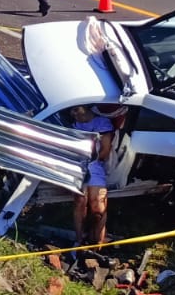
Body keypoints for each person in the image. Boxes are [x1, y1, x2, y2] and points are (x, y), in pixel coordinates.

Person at [70, 105, 115, 246]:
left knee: (99, 205)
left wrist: (91, 160)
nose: (73, 113)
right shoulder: (72, 125)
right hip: (76, 165)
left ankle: (97, 241)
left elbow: (105, 149)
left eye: (76, 109)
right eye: (71, 111)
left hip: (94, 164)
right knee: (80, 201)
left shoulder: (102, 123)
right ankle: (79, 238)